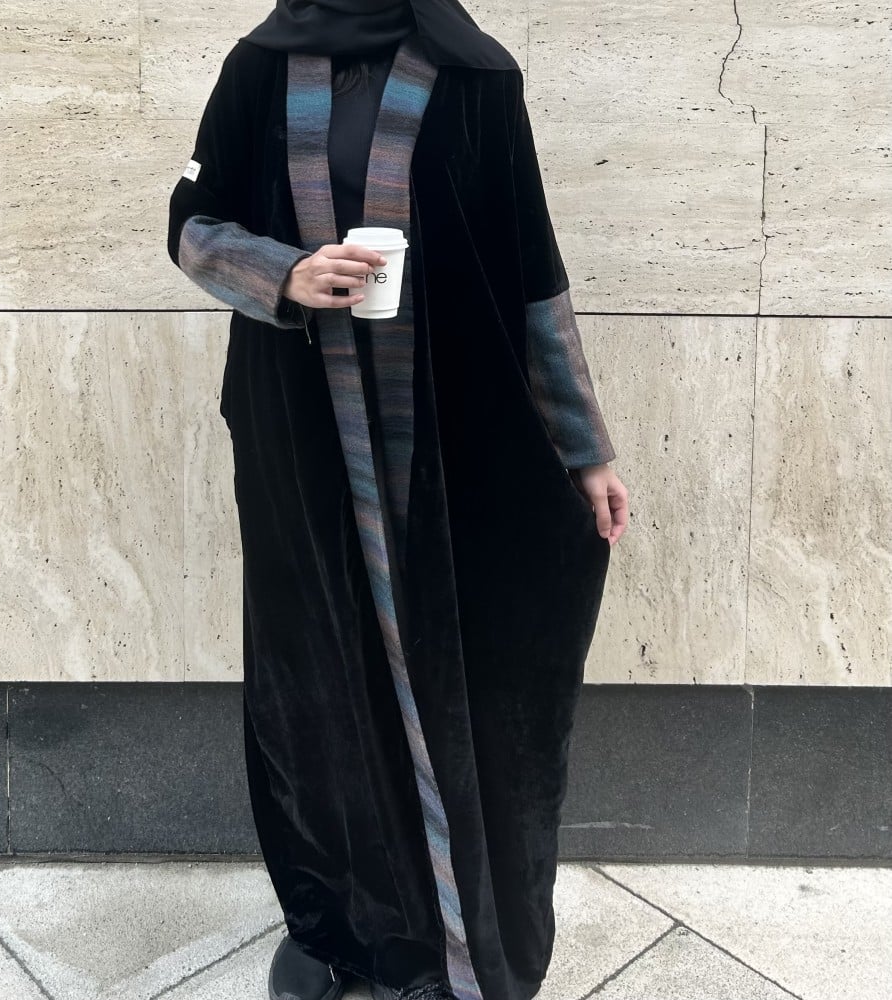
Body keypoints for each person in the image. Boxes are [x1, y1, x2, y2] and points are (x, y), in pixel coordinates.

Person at [167, 1, 629, 998]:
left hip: (450, 449)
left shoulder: (476, 78)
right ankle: (340, 929)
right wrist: (286, 273)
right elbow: (192, 228)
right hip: (300, 445)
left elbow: (533, 275)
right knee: (315, 680)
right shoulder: (261, 65)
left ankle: (450, 933)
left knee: (459, 677)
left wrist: (585, 449)